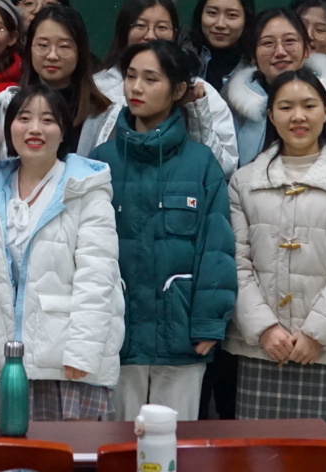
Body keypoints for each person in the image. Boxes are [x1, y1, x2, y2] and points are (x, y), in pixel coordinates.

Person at [226, 68, 326, 441]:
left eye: (309, 105)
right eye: (286, 107)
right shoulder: (243, 181)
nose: (298, 116)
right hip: (262, 350)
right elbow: (234, 264)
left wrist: (316, 334)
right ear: (270, 115)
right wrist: (265, 329)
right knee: (258, 460)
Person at [95, 40, 235, 422]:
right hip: (116, 339)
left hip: (181, 337)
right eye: (130, 76)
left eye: (151, 79)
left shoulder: (200, 163)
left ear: (177, 90)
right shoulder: (101, 161)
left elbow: (217, 248)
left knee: (174, 445)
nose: (136, 87)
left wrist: (209, 322)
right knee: (116, 448)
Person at [0, 85, 123, 420]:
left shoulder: (85, 188)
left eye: (48, 120)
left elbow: (97, 279)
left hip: (68, 364)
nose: (35, 129)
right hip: (10, 364)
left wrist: (81, 354)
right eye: (24, 118)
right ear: (9, 126)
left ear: (63, 131)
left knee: (74, 450)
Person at [89, 0, 238, 176]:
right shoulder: (96, 88)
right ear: (124, 30)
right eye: (140, 25)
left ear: (175, 33)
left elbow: (225, 169)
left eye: (162, 27)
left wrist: (195, 111)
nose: (151, 35)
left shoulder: (200, 92)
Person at [0, 4, 111, 164]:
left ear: (80, 51)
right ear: (29, 48)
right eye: (43, 45)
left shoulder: (104, 114)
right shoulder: (6, 105)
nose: (52, 55)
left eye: (64, 46)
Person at [223, 8, 326, 169]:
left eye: (290, 41)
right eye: (267, 43)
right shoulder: (234, 103)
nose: (280, 52)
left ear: (307, 49)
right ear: (253, 55)